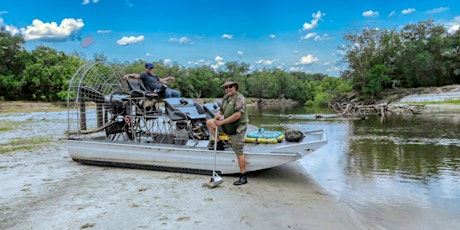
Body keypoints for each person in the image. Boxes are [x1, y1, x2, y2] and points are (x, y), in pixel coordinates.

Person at [206, 78, 249, 186]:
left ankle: (243, 177)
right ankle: (219, 143)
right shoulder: (225, 98)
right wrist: (218, 115)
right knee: (209, 123)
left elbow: (238, 115)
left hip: (237, 128)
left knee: (238, 151)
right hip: (227, 125)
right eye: (226, 87)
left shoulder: (239, 97)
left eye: (230, 86)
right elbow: (221, 110)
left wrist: (222, 122)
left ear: (235, 87)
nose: (228, 89)